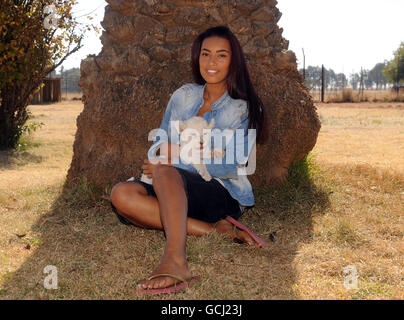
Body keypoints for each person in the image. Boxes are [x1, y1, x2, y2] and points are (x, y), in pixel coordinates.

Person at [110, 26, 268, 294]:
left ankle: (176, 261)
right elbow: (160, 145)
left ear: (234, 61)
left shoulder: (243, 108)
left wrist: (178, 156)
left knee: (165, 172)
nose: (211, 62)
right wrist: (168, 156)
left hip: (220, 190)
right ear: (197, 57)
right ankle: (217, 231)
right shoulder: (183, 96)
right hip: (173, 186)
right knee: (121, 193)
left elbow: (235, 164)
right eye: (205, 54)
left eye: (221, 55)